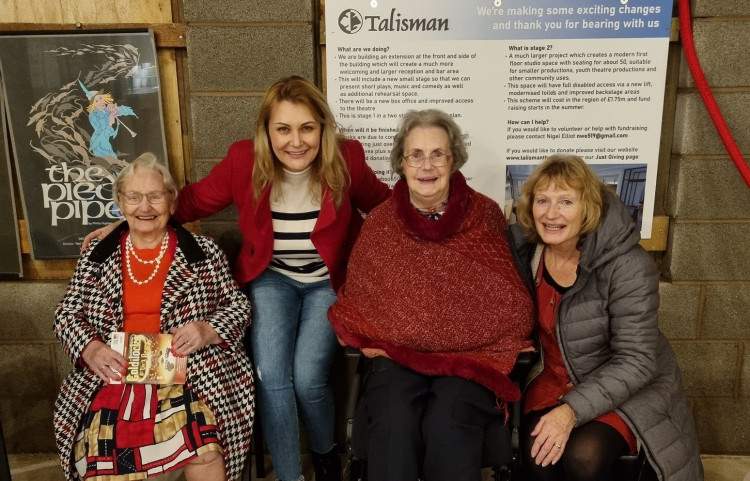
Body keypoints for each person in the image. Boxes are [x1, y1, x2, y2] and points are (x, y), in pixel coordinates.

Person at [83, 75, 390, 481]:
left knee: (309, 378)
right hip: (272, 278)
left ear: (322, 128)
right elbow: (187, 201)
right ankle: (289, 475)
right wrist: (125, 223)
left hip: (325, 282)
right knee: (272, 376)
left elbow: (386, 206)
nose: (295, 141)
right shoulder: (245, 161)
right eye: (283, 128)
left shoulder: (346, 159)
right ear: (266, 130)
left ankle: (326, 456)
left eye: (307, 128)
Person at [327, 109, 535, 481]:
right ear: (401, 164)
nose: (427, 165)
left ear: (453, 160)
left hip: (471, 358)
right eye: (416, 155)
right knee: (395, 417)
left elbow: (511, 303)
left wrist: (449, 331)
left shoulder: (484, 215)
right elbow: (361, 299)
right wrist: (414, 329)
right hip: (396, 356)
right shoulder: (380, 223)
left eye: (438, 153)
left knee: (449, 422)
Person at [54, 153, 254, 481]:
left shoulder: (203, 253)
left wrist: (207, 329)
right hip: (114, 372)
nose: (144, 207)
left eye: (155, 196)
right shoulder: (97, 254)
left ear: (172, 202)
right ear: (120, 202)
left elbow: (238, 307)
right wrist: (92, 349)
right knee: (104, 451)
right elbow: (66, 314)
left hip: (189, 372)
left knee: (204, 449)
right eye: (134, 197)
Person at [507, 154, 703, 481]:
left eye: (566, 201)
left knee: (584, 457)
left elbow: (637, 360)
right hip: (555, 379)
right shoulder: (529, 255)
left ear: (588, 208)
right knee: (538, 458)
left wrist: (569, 412)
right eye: (543, 200)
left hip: (626, 386)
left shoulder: (626, 265)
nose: (551, 213)